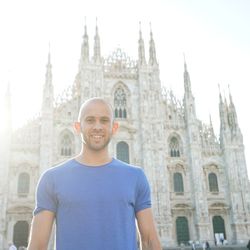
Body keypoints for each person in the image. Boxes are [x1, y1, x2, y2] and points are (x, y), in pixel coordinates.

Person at [27, 97, 162, 250]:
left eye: (104, 121)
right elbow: (37, 246)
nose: (97, 126)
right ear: (78, 127)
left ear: (114, 128)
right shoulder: (51, 179)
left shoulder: (136, 177)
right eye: (90, 120)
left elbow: (150, 241)